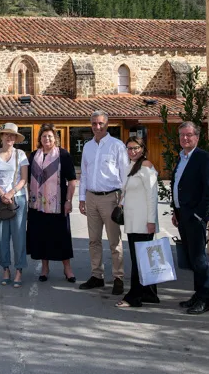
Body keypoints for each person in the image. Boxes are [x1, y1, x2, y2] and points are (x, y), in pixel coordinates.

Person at [78, 111, 129, 295]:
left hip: (111, 198)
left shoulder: (117, 146)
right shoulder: (88, 147)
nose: (97, 127)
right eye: (93, 124)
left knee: (114, 241)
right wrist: (82, 199)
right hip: (91, 197)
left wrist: (122, 202)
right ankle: (97, 276)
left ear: (107, 124)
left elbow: (125, 176)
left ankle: (118, 278)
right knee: (94, 240)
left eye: (100, 123)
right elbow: (83, 174)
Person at [171, 121, 209, 315]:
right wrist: (176, 210)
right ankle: (197, 295)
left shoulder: (203, 158)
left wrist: (200, 215)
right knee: (191, 258)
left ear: (197, 137)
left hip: (195, 217)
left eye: (189, 135)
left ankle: (204, 300)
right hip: (183, 215)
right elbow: (178, 185)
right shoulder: (182, 158)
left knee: (199, 259)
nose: (185, 138)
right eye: (182, 135)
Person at [26, 124, 77, 283]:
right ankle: (45, 268)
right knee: (41, 237)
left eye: (50, 136)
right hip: (37, 206)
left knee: (62, 237)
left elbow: (72, 180)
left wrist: (68, 201)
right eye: (43, 136)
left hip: (58, 205)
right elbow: (28, 180)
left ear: (55, 138)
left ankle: (67, 269)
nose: (47, 139)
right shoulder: (34, 155)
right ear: (39, 139)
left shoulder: (63, 155)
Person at [115, 137, 160, 308]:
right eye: (129, 148)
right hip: (133, 220)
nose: (132, 151)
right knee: (142, 259)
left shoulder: (146, 166)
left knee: (139, 260)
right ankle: (149, 293)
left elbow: (152, 195)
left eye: (135, 148)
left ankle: (134, 297)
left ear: (142, 148)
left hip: (143, 221)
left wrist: (151, 221)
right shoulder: (131, 167)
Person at [0, 123, 29, 287]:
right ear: (1, 137)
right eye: (6, 134)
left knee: (19, 236)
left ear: (16, 138)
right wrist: (2, 194)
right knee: (2, 237)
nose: (9, 137)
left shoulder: (21, 155)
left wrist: (11, 193)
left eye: (12, 135)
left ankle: (19, 269)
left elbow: (24, 179)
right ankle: (5, 268)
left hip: (18, 199)